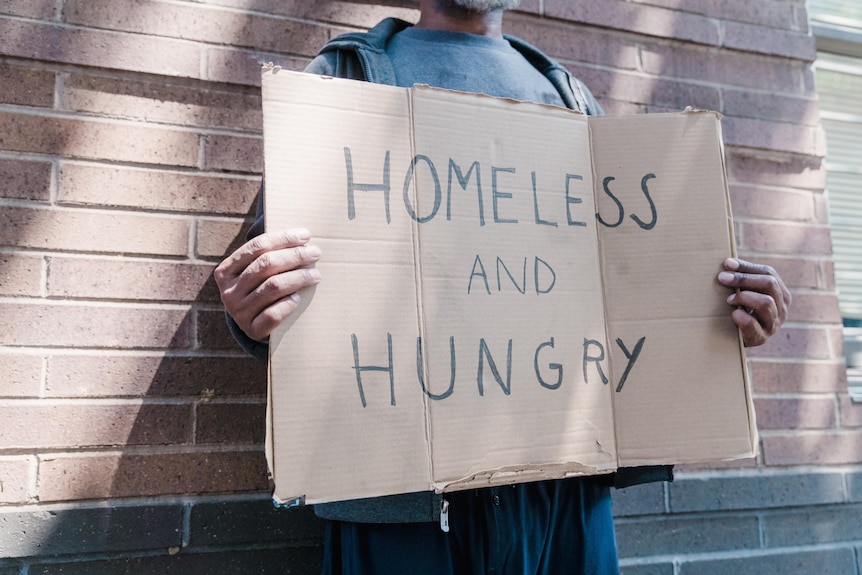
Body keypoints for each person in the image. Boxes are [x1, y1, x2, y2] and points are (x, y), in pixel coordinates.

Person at [214, 0, 792, 573]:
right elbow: (277, 284)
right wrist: (251, 315)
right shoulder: (344, 78)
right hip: (403, 502)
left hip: (565, 492)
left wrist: (719, 313)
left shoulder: (569, 97)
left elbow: (629, 289)